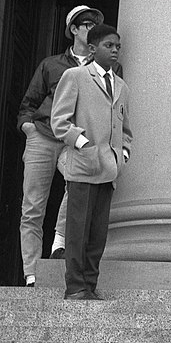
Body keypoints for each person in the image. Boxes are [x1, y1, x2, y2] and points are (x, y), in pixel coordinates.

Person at [16, 5, 106, 285]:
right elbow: (28, 104)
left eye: (95, 24)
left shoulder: (100, 66)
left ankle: (59, 242)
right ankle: (31, 275)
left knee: (78, 187)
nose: (92, 28)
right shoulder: (51, 64)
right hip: (42, 136)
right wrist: (29, 129)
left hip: (74, 141)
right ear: (74, 30)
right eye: (87, 24)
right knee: (32, 207)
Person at [48, 24, 131, 300]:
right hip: (83, 166)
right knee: (78, 230)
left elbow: (125, 129)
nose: (115, 50)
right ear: (93, 48)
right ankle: (75, 286)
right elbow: (59, 121)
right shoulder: (76, 76)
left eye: (117, 46)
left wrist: (124, 154)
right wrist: (83, 143)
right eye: (109, 45)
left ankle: (90, 284)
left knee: (97, 234)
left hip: (108, 169)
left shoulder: (121, 87)